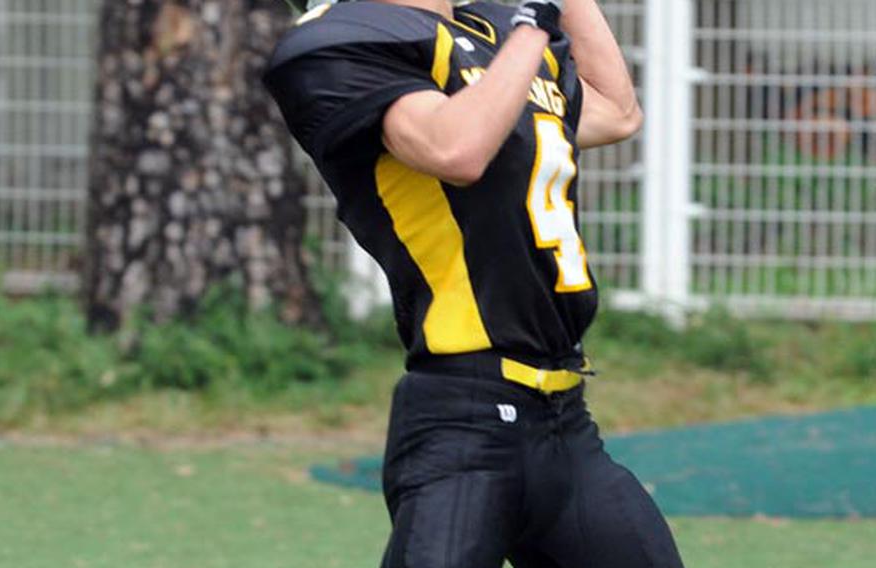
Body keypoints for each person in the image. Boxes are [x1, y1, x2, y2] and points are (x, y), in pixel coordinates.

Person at [266, 0, 684, 566]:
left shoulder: (491, 30)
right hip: (464, 415)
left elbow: (615, 112)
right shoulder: (343, 36)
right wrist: (535, 23)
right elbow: (455, 149)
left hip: (563, 421)